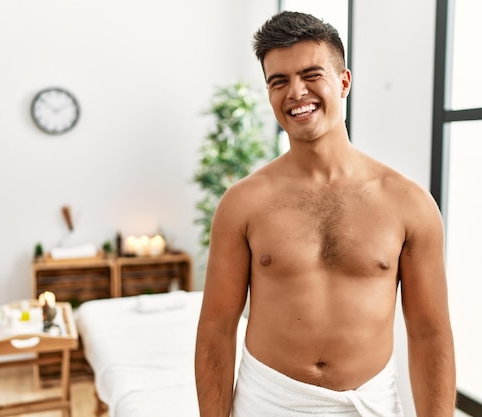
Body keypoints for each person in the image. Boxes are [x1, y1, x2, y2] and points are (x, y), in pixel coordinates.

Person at [195, 10, 455, 417]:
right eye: (278, 81)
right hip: (267, 402)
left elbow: (430, 335)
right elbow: (216, 329)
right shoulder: (243, 203)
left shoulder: (408, 203)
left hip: (367, 404)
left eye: (311, 74)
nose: (295, 92)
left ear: (344, 81)